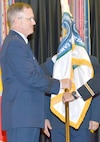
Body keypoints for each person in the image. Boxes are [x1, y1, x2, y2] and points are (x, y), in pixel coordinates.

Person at [0, 2, 71, 142]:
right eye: (29, 18)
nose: (34, 22)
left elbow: (35, 74)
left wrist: (41, 116)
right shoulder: (15, 44)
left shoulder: (18, 43)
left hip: (26, 116)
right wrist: (60, 84)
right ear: (17, 21)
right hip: (22, 116)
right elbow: (31, 78)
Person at [42, 55, 100, 142]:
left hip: (83, 119)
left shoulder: (91, 60)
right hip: (56, 119)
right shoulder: (53, 60)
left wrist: (95, 117)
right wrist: (45, 117)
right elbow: (47, 88)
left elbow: (96, 88)